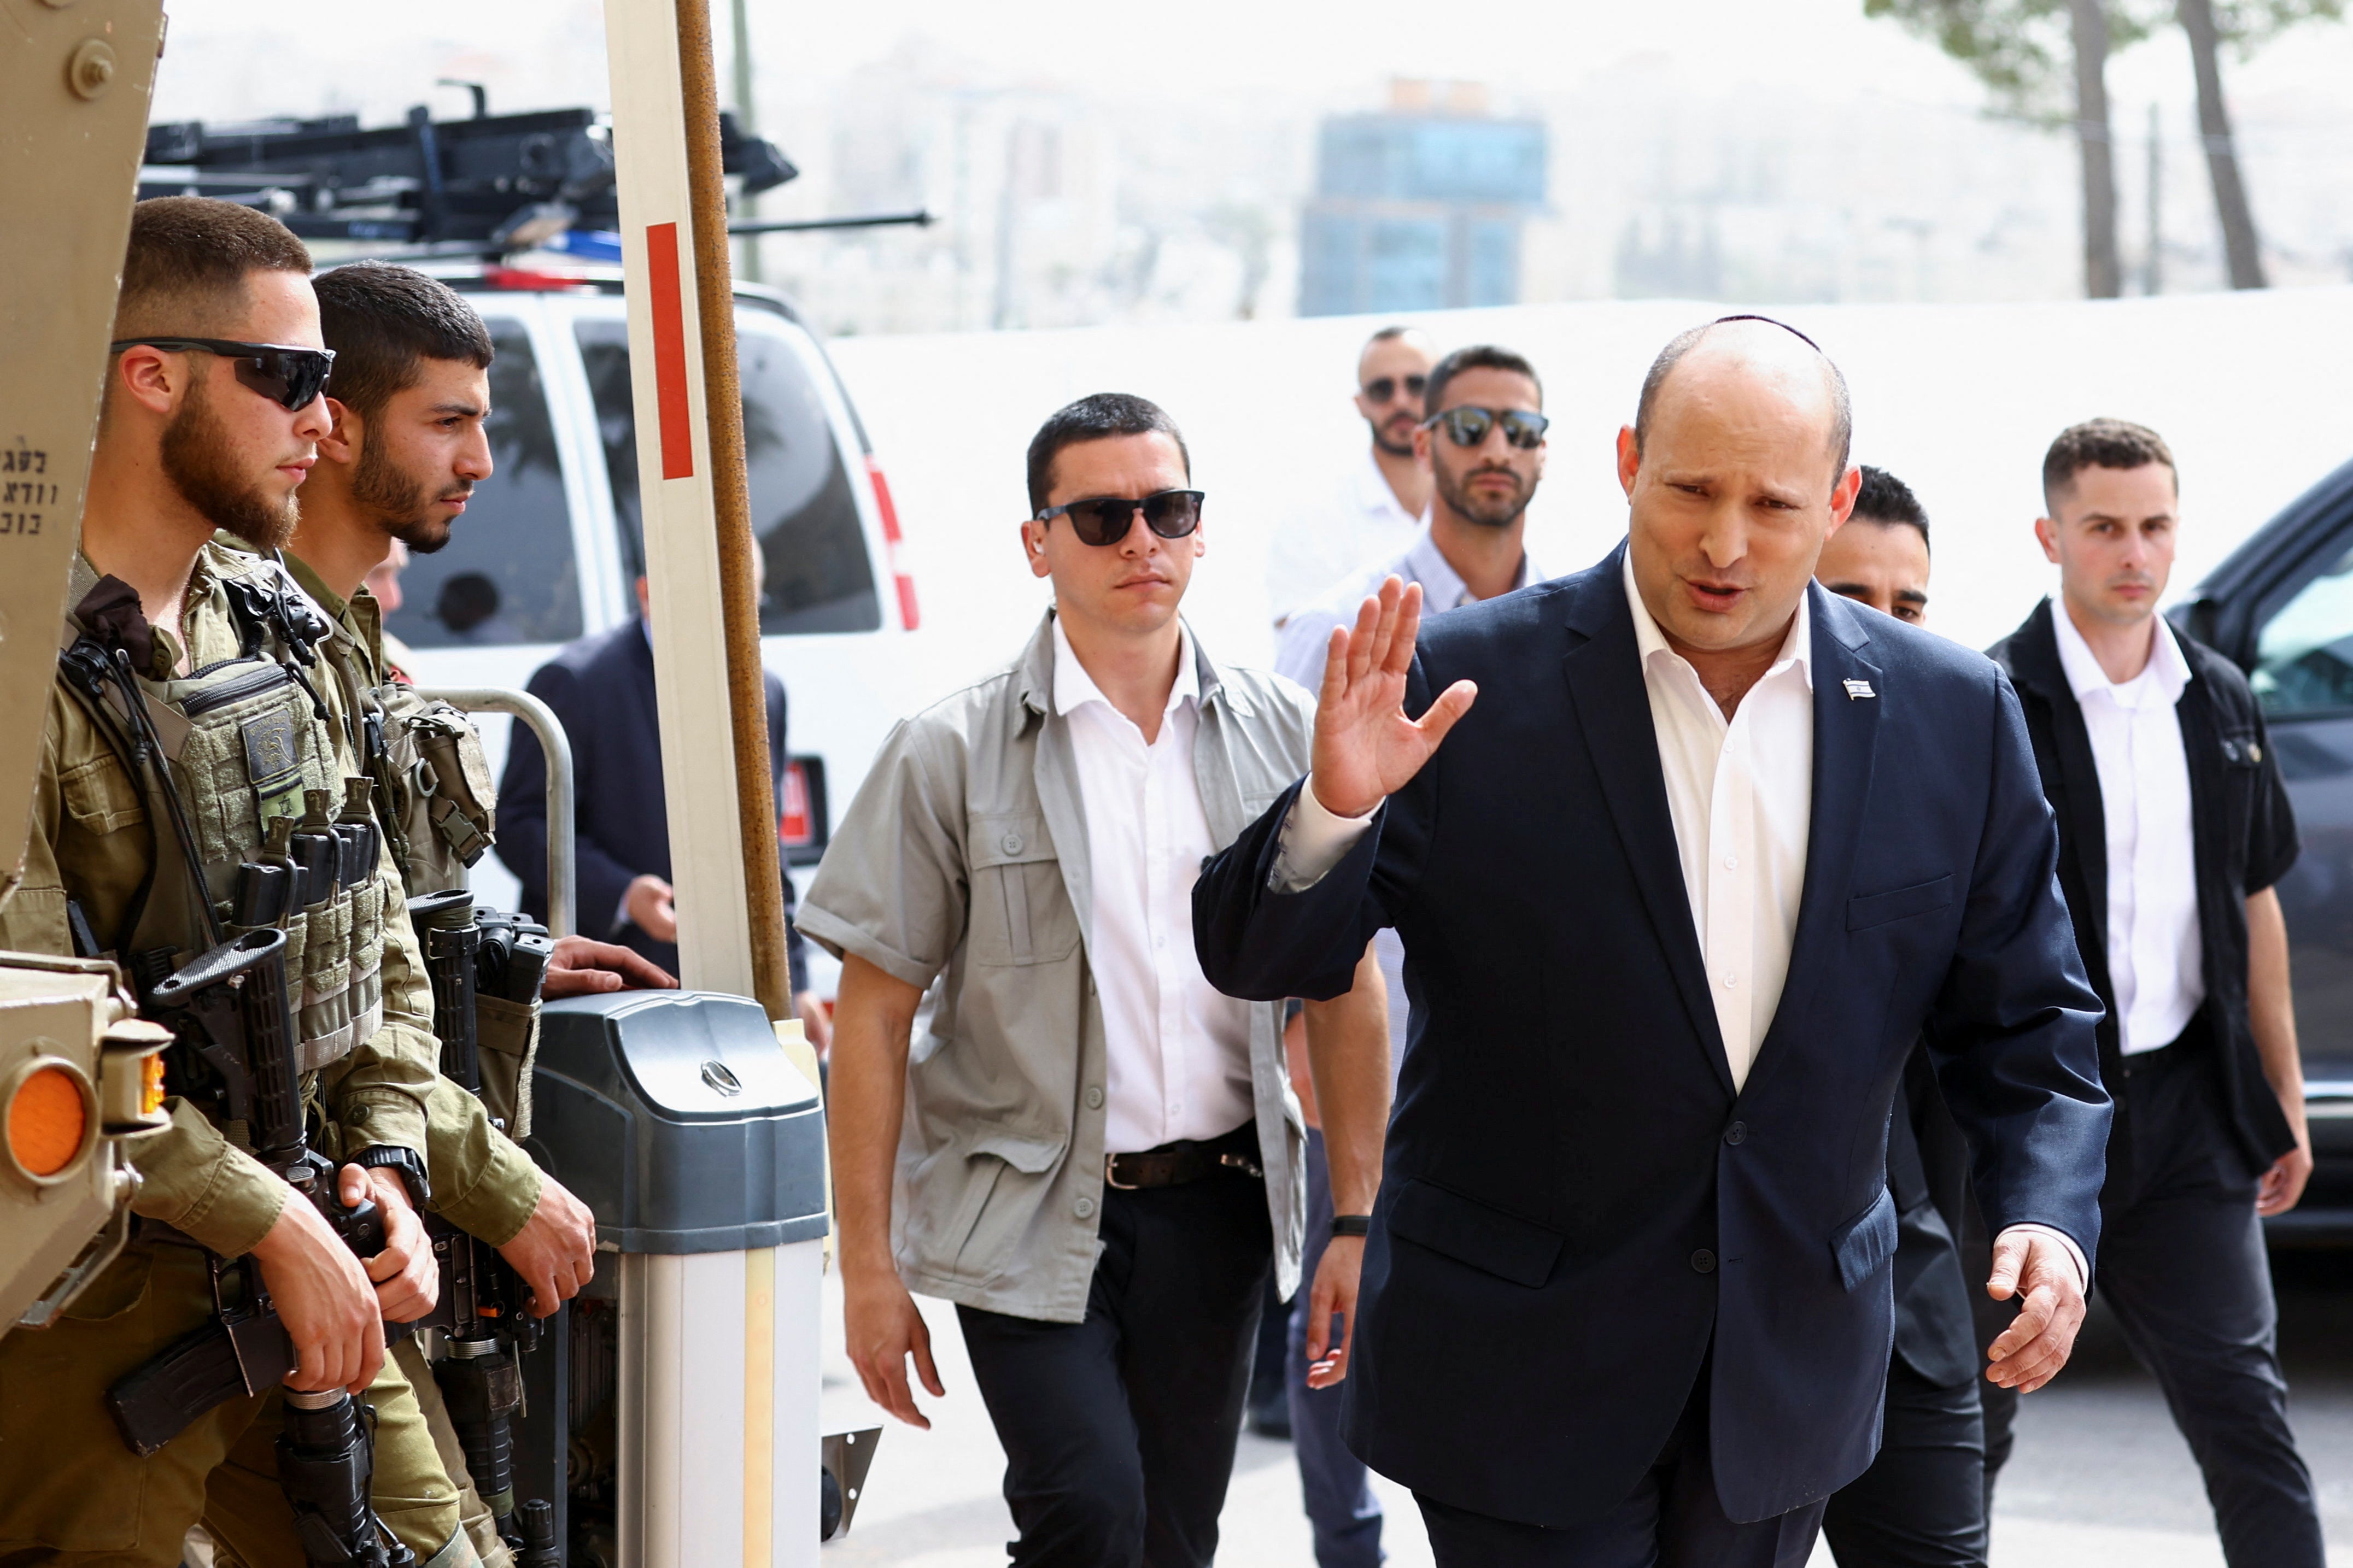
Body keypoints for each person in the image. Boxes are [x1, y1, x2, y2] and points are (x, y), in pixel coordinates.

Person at [1192, 315, 2115, 1567]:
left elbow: (2028, 1023)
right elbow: (1258, 953)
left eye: (1772, 504)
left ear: (1835, 497)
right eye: (1688, 489)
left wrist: (2047, 1219)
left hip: (1787, 1362)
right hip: (1520, 1363)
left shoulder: (1950, 715)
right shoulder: (1463, 684)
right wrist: (1332, 808)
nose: (1723, 543)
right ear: (1625, 460)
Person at [800, 394, 1391, 1568]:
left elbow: (1343, 986)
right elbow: (872, 1016)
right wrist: (866, 1270)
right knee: (1088, 1513)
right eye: (1104, 514)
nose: (1142, 540)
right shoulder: (947, 752)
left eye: (1168, 509)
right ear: (1037, 543)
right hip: (1017, 1207)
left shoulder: (1287, 738)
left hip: (1219, 1205)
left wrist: (1356, 1219)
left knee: (1172, 1542)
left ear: (1199, 529)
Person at [0, 198, 465, 1565]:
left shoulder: (268, 616)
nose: (325, 422)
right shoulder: (24, 661)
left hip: (308, 1225)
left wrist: (383, 1155)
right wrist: (264, 1217)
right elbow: (29, 1026)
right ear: (151, 373)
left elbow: (366, 923)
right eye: (291, 377)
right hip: (98, 1291)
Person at [290, 259, 677, 1565]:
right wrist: (498, 1180)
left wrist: (506, 958)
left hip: (384, 1197)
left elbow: (387, 927)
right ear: (335, 417)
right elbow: (318, 993)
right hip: (320, 1206)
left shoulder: (339, 644)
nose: (480, 461)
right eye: (447, 422)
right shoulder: (262, 658)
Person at [1983, 419, 2323, 1567]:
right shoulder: (1994, 699)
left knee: (2245, 1417)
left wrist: (2277, 1093)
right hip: (2034, 1118)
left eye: (2155, 525)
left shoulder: (2218, 700)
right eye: (2104, 527)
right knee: (1969, 1432)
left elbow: (2252, 900)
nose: (2135, 552)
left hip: (2187, 1117)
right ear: (2051, 535)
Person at [1266, 340, 1551, 1568]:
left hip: (1535, 1032)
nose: (1498, 450)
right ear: (1420, 441)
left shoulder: (1584, 625)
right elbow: (1284, 841)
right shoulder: (1347, 620)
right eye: (1473, 425)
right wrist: (1290, 1007)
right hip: (1367, 1019)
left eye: (1522, 429)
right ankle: (1348, 1543)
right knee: (1349, 1277)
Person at [1813, 469, 1989, 1568]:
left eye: (1908, 606)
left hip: (1907, 1305)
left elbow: (1993, 1038)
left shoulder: (1958, 765)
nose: (1880, 633)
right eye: (1849, 598)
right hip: (1694, 1334)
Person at [495, 570, 827, 1049]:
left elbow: (767, 847)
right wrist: (623, 893)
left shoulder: (765, 689)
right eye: (711, 598)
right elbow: (520, 824)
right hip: (605, 992)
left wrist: (798, 981)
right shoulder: (576, 680)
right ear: (647, 591)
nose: (728, 617)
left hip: (731, 992)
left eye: (745, 599)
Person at [1268, 326, 1437, 629]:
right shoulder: (1312, 519)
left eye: (1417, 385)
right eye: (1382, 389)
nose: (1401, 401)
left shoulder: (1476, 505)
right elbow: (1302, 649)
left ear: (1442, 394)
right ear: (1361, 404)